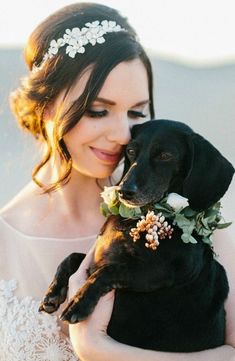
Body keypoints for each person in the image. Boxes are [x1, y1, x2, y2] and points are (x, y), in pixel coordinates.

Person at [0, 2, 234, 361]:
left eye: (137, 112)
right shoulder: (5, 241)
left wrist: (98, 350)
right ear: (46, 107)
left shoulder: (193, 218)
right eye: (98, 111)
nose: (124, 134)